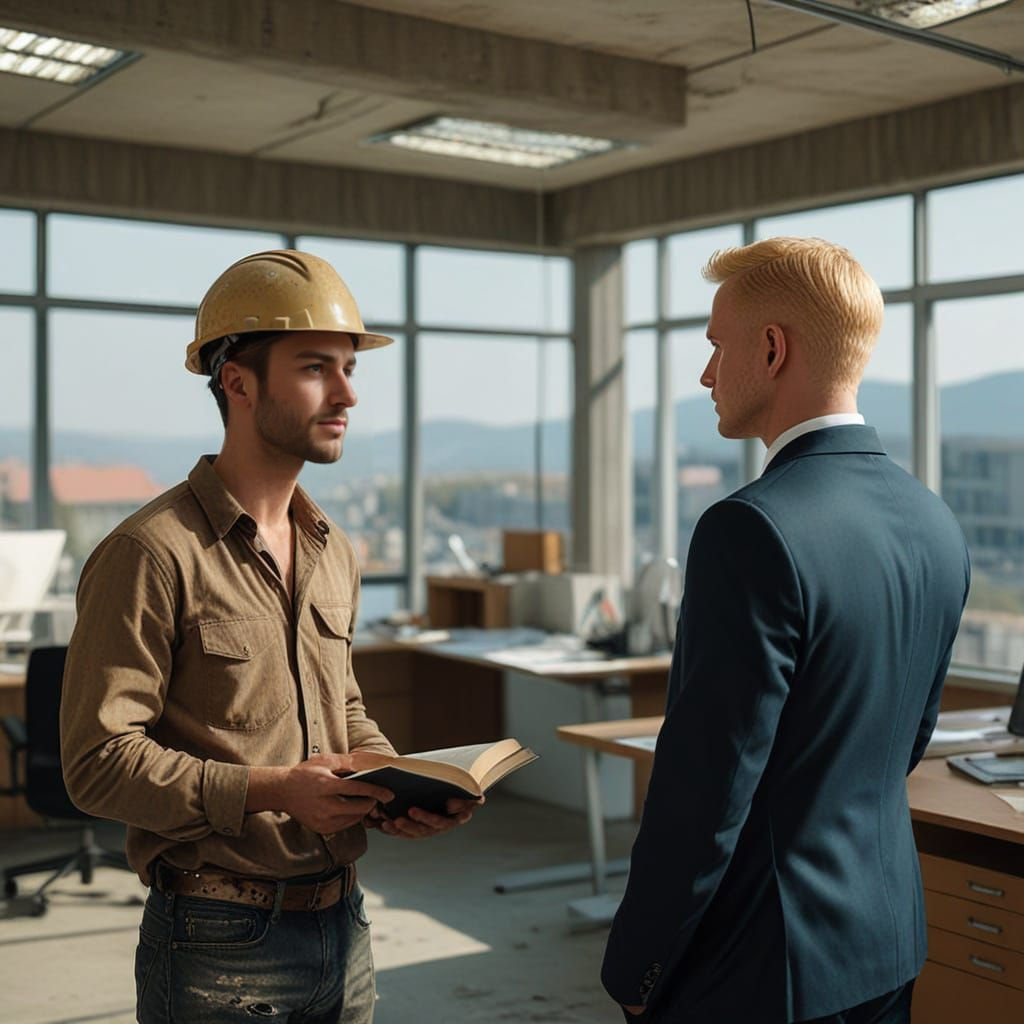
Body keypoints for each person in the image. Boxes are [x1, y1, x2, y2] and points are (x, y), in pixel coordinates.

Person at [60, 249, 478, 1024]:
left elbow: (341, 709)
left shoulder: (333, 549)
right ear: (238, 382)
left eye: (350, 368)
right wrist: (278, 791)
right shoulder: (150, 552)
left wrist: (394, 783)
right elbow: (97, 763)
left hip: (345, 928)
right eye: (317, 367)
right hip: (217, 939)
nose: (348, 392)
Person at [600, 237, 970, 1023]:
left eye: (715, 347)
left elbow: (708, 789)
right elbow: (905, 742)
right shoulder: (933, 520)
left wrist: (635, 970)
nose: (705, 375)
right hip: (886, 945)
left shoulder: (751, 529)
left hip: (764, 968)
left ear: (772, 350)